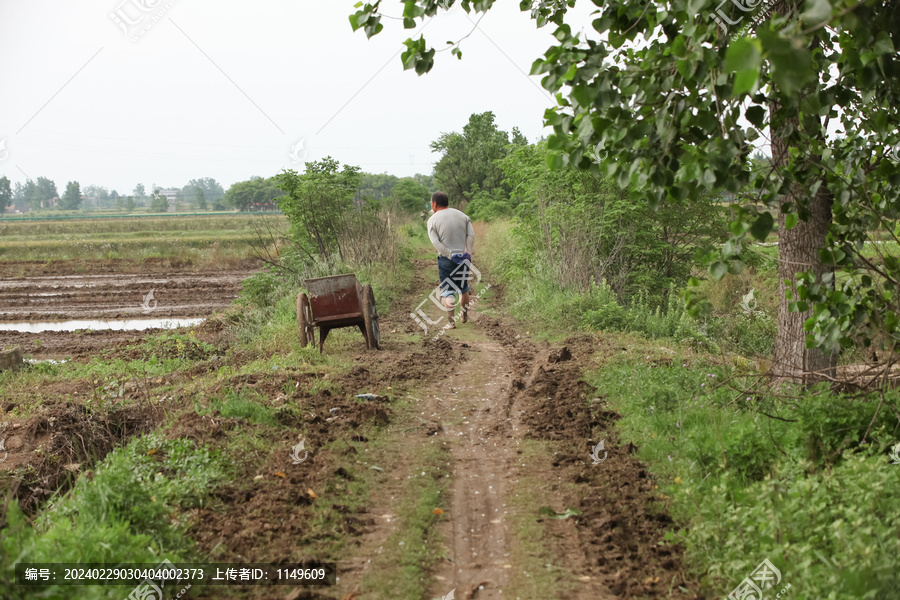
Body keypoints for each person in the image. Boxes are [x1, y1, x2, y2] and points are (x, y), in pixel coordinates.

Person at [426, 191, 475, 329]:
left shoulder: (432, 220)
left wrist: (450, 255)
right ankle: (464, 315)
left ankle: (451, 322)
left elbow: (436, 243)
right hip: (463, 259)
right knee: (463, 288)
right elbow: (471, 235)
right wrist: (467, 252)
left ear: (435, 204)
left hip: (446, 260)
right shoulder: (463, 216)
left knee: (448, 291)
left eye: (431, 203)